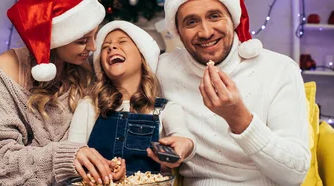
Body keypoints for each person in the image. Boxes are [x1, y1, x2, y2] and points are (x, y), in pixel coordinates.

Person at [0, 0, 112, 185]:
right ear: (55, 38)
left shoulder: (87, 70)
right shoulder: (6, 69)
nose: (93, 48)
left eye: (95, 36)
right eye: (82, 41)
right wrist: (65, 157)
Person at [156, 0, 311, 185]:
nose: (206, 33)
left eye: (214, 16)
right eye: (191, 22)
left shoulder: (279, 69)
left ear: (233, 19)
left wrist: (239, 118)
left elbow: (295, 175)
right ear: (178, 32)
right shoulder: (164, 70)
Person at [67, 21, 196, 176]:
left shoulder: (165, 109)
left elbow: (184, 138)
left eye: (122, 42)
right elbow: (73, 155)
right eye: (105, 46)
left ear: (143, 56)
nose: (111, 47)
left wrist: (185, 145)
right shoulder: (89, 106)